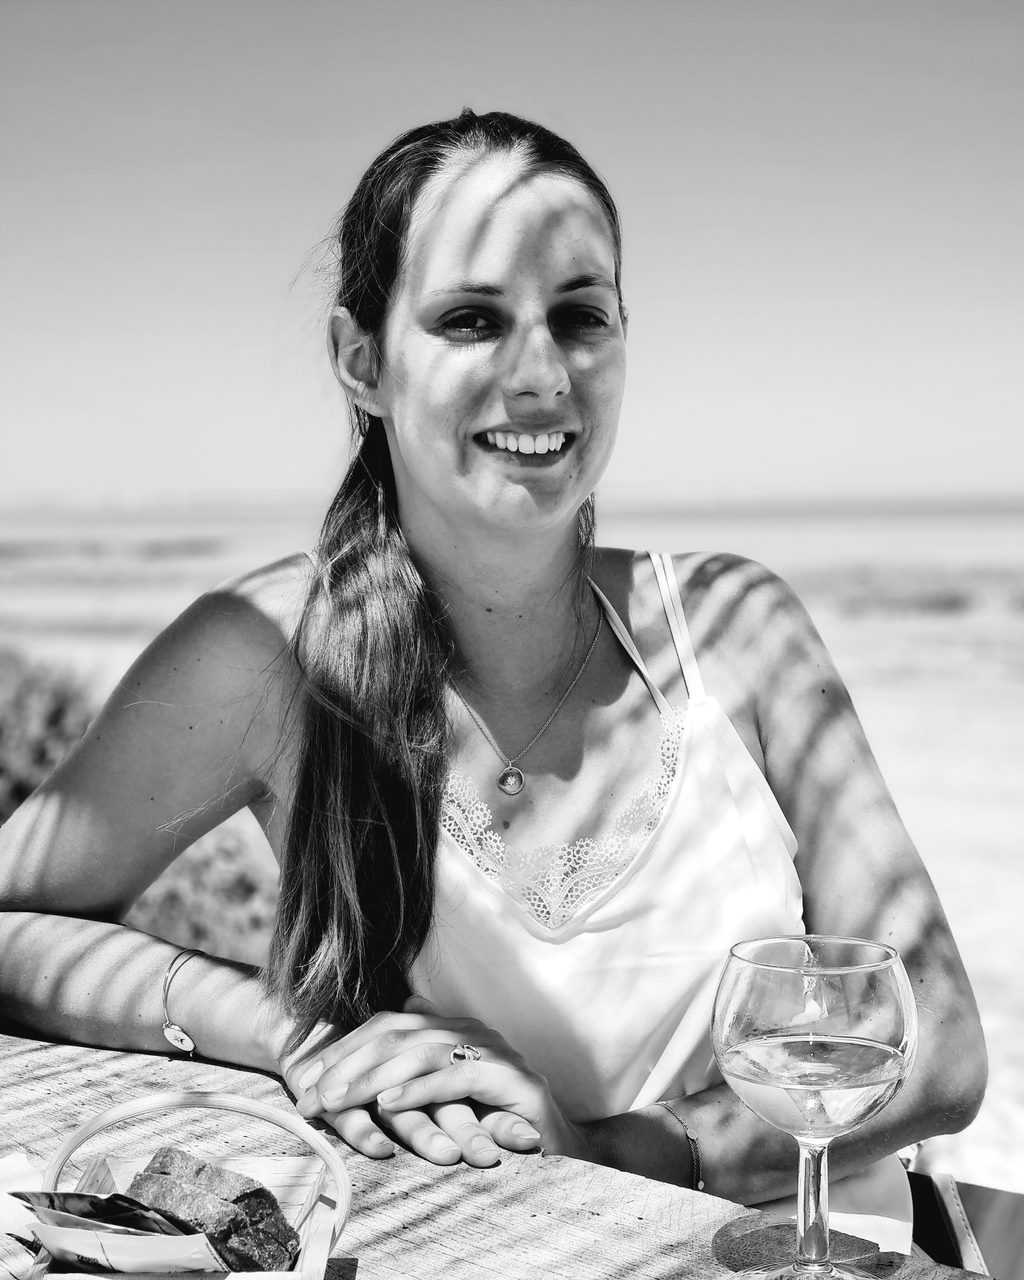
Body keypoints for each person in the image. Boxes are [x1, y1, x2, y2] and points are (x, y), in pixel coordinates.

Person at [0, 110, 986, 1248]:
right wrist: (287, 1027)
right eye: (471, 319)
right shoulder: (268, 652)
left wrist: (620, 1149)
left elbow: (939, 1047)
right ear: (362, 361)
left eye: (580, 317)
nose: (540, 375)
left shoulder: (732, 625)